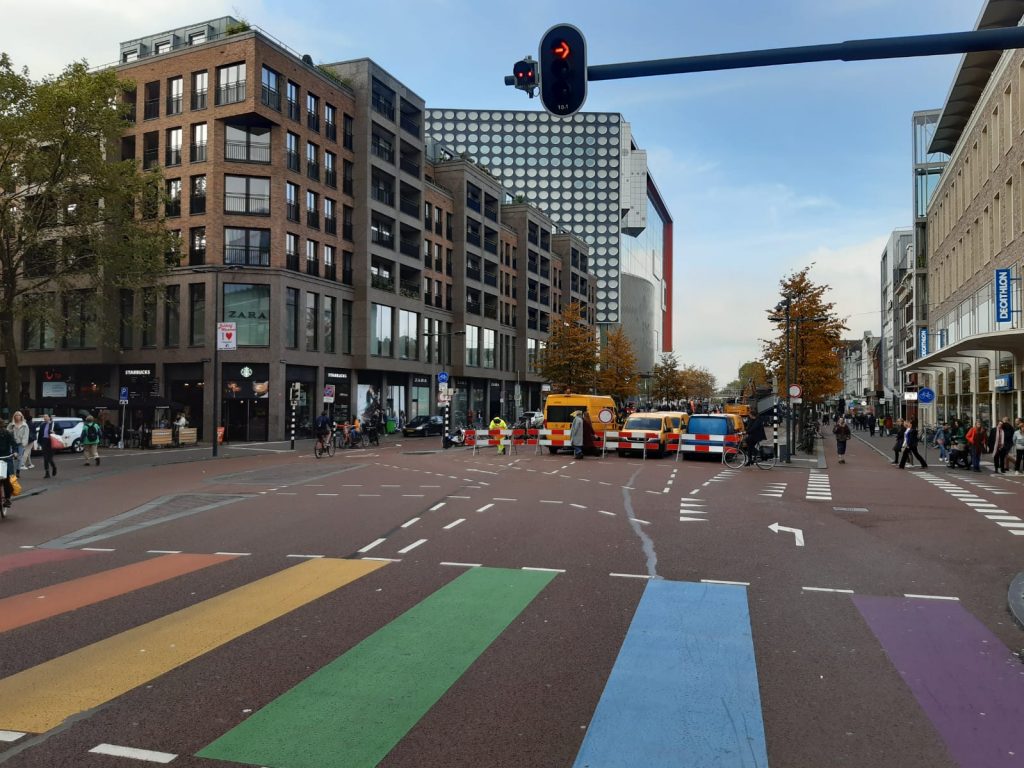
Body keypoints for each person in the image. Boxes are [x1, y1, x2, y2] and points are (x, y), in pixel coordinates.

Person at [37, 414, 61, 478]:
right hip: (44, 442)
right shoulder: (42, 425)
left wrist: (55, 432)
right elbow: (40, 434)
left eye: (46, 416)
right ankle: (47, 473)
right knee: (45, 458)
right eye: (44, 417)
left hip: (51, 442)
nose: (44, 418)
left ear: (49, 417)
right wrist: (39, 442)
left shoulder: (54, 424)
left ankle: (54, 467)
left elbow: (61, 431)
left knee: (49, 458)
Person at [7, 411, 30, 477]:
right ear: (14, 417)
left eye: (19, 415)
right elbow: (7, 432)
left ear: (21, 417)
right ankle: (12, 471)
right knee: (12, 457)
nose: (17, 417)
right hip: (12, 443)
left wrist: (24, 443)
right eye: (16, 415)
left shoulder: (24, 425)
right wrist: (11, 431)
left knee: (19, 458)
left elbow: (26, 435)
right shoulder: (11, 424)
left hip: (20, 443)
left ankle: (18, 471)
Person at [0, 420, 16, 508]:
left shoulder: (7, 433)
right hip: (4, 457)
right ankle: (7, 498)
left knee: (7, 479)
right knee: (6, 479)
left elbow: (13, 444)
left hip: (5, 457)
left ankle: (7, 498)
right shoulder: (7, 432)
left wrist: (15, 452)